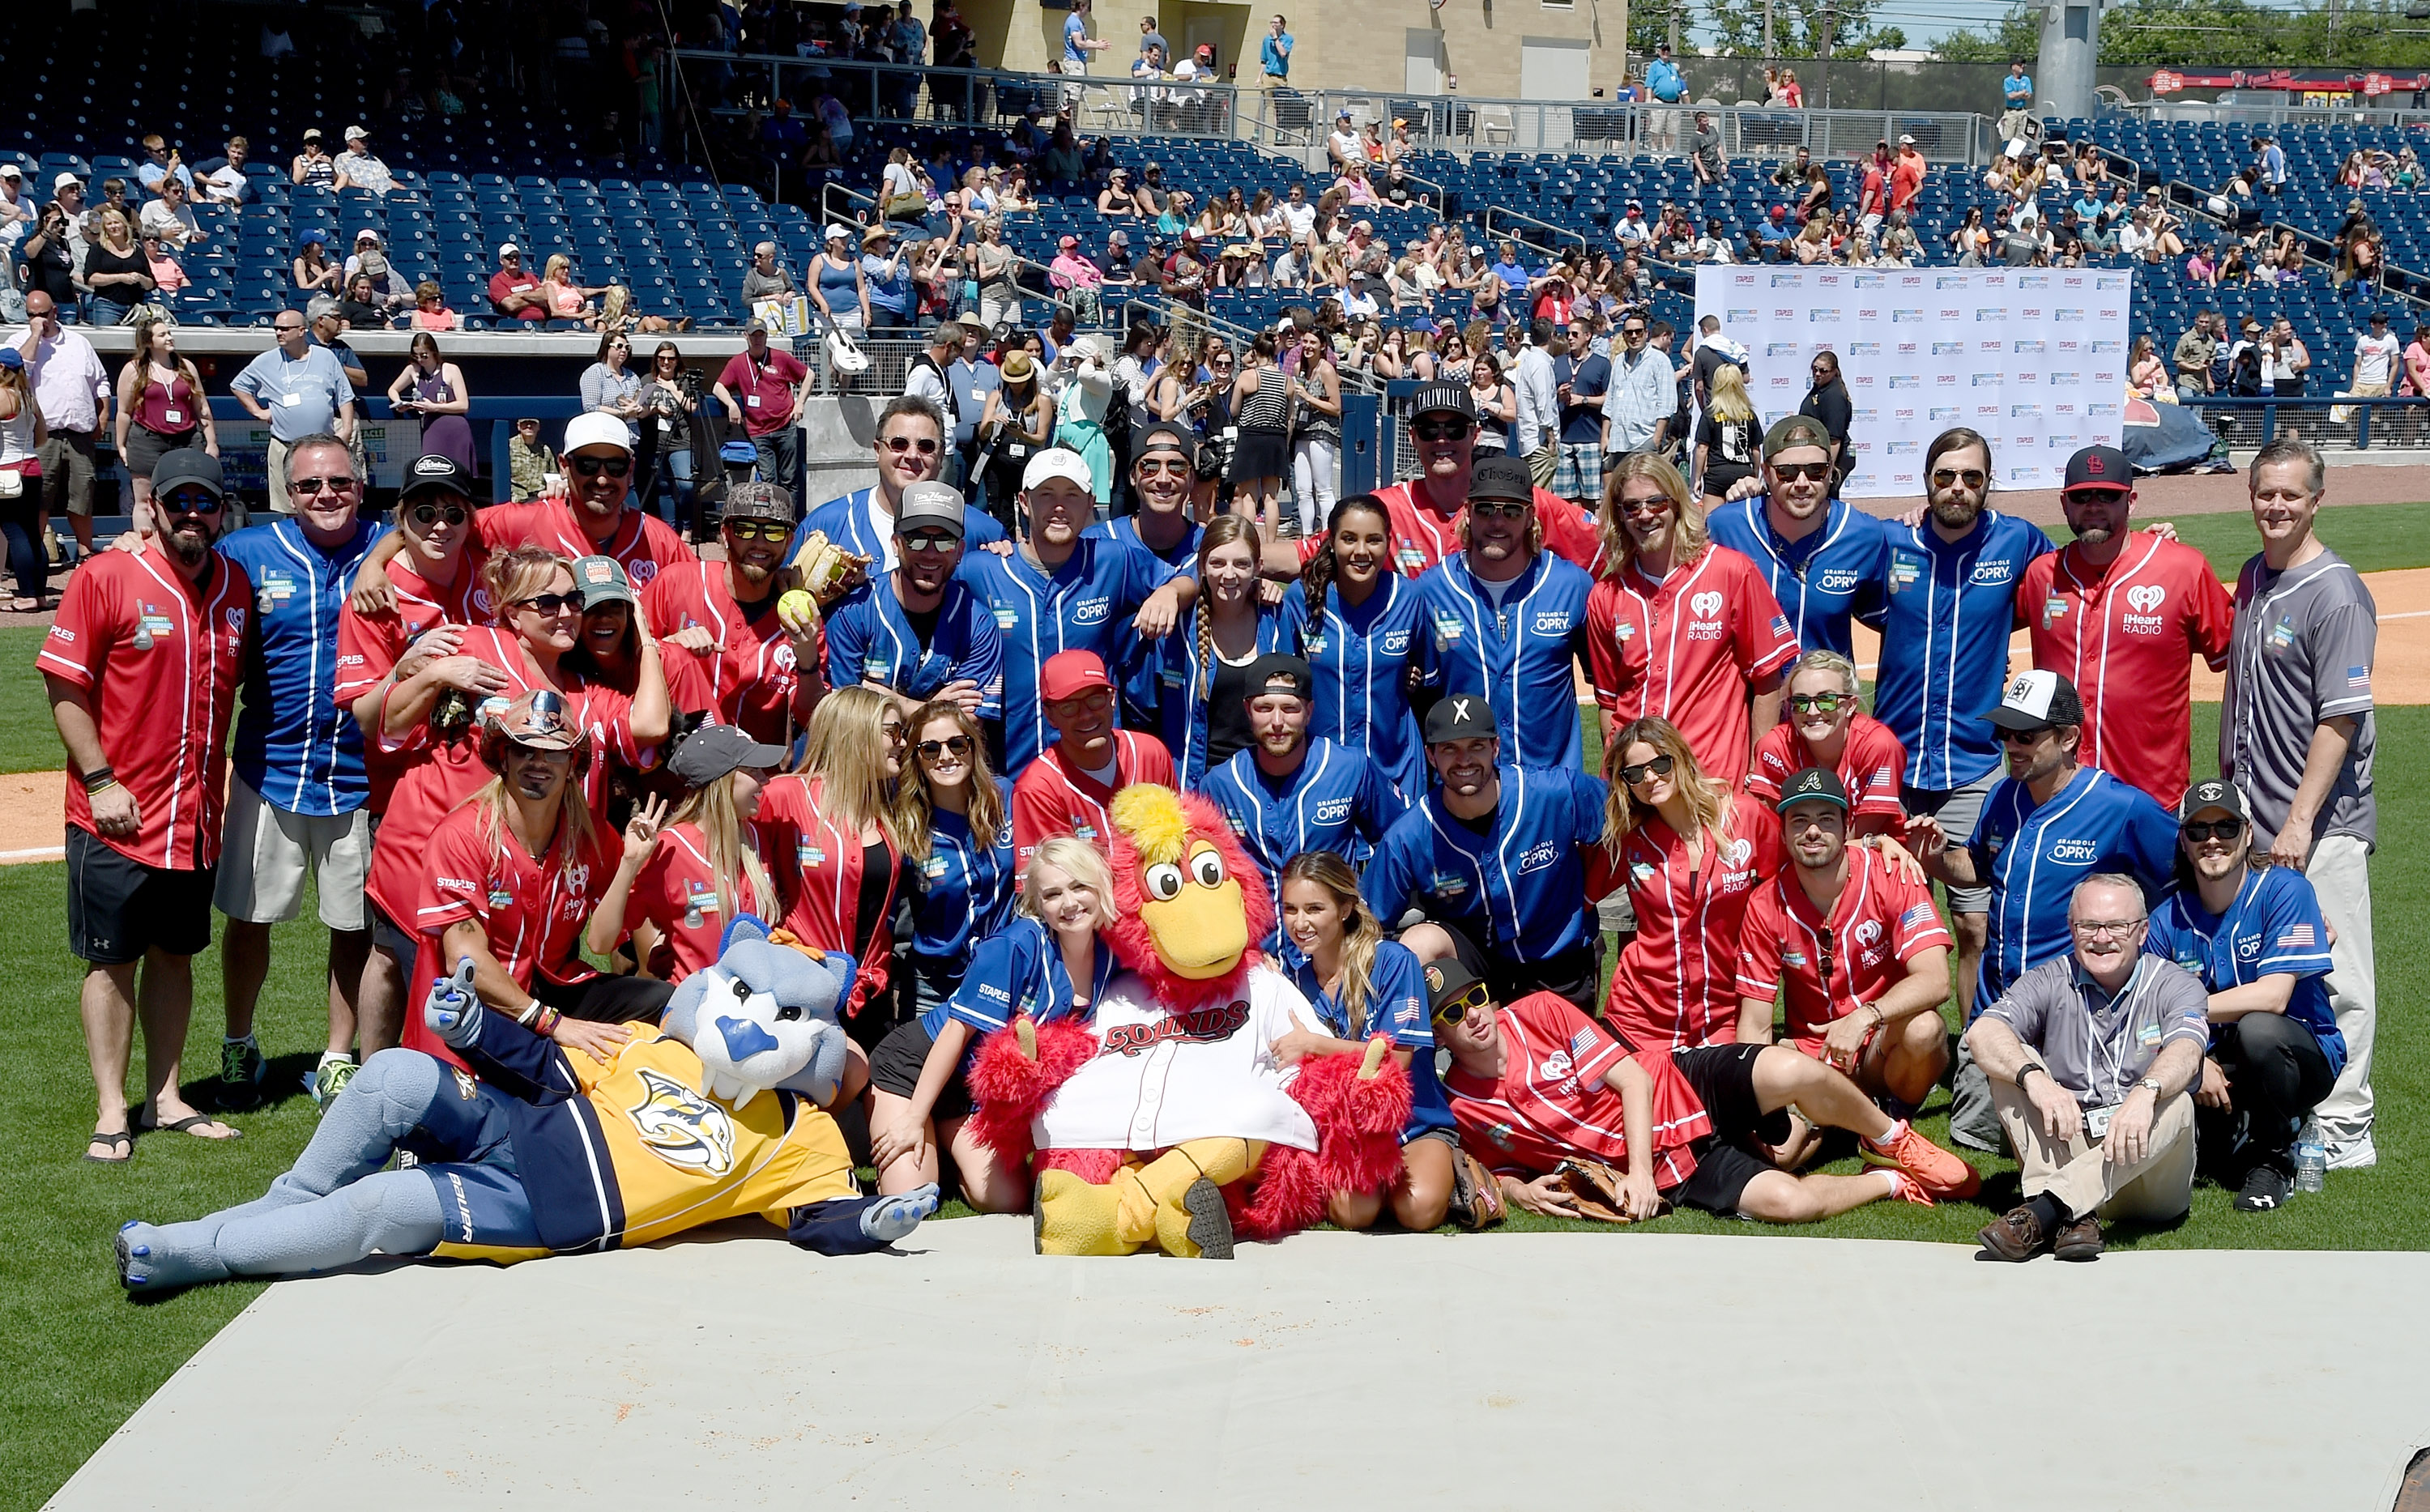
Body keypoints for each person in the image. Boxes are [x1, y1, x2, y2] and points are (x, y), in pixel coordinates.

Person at [44, 450, 251, 1160]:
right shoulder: (106, 575)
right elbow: (67, 687)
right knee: (110, 962)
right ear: (154, 507)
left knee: (175, 956)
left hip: (194, 817)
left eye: (206, 501)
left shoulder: (235, 585)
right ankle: (112, 1107)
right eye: (179, 501)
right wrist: (100, 780)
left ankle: (165, 1096)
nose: (193, 513)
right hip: (117, 816)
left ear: (223, 509)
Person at [1437, 959, 1964, 1225]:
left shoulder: (1537, 1012)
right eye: (1454, 1013)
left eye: (1476, 997)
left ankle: (1892, 1137)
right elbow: (1493, 1166)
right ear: (1439, 1035)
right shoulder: (1460, 1102)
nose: (1475, 1015)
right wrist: (1519, 1191)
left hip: (1680, 1084)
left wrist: (1639, 1174)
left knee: (1792, 1071)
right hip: (1674, 1167)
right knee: (1788, 1201)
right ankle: (1888, 1180)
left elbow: (1635, 1079)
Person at [1911, 669, 2180, 1149]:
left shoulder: (2121, 807)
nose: (2011, 746)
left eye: (2026, 735)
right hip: (1999, 1012)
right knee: (1977, 1138)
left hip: (2074, 1018)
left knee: (2071, 1138)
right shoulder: (2003, 796)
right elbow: (1976, 866)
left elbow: (2184, 874)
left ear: (2069, 737)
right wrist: (1934, 859)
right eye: (2004, 733)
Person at [204, 435, 386, 1108]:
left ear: (360, 484)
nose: (326, 496)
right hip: (268, 766)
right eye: (310, 486)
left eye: (338, 482)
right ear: (289, 493)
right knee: (249, 917)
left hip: (359, 774)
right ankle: (239, 1040)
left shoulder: (390, 547)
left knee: (353, 925)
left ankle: (338, 1054)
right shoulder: (247, 554)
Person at [2221, 437, 2379, 1169]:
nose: (2276, 507)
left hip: (2315, 824)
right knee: (2266, 970)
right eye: (2265, 493)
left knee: (2337, 975)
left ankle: (2347, 1127)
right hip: (2258, 823)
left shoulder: (2338, 591)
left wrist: (2300, 818)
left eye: (2291, 494)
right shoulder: (2254, 576)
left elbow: (2339, 717)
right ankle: (2277, 1111)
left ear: (2318, 498)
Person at [1870, 428, 2055, 1020]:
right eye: (1945, 476)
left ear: (1987, 483)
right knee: (1886, 921)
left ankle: (1976, 1051)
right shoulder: (1891, 540)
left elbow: (2081, 569)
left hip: (1973, 765)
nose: (1958, 488)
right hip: (1890, 764)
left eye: (1971, 477)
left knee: (1975, 922)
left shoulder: (2018, 539)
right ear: (1926, 481)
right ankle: (1893, 1050)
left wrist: (2148, 538)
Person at [868, 834, 1121, 1207]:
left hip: (974, 1094)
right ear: (1038, 903)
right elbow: (957, 1030)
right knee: (911, 1198)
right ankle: (918, 1128)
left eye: (1079, 887)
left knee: (1005, 1200)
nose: (1069, 904)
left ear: (1100, 885)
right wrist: (913, 1118)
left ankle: (944, 1144)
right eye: (1052, 895)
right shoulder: (1016, 945)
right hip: (916, 1067)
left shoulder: (1113, 954)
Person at [1966, 875, 2208, 1261]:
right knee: (2014, 1067)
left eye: (2117, 926)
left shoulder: (2175, 984)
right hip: (2074, 1147)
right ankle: (2076, 1215)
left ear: (2143, 932)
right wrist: (2037, 1081)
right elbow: (1983, 1032)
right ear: (2071, 929)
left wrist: (2146, 1093)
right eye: (2089, 925)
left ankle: (2046, 1211)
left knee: (2177, 1101)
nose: (2101, 938)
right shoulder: (2048, 978)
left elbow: (2187, 1049)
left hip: (2146, 1165)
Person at [2146, 777, 2345, 1212]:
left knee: (2258, 1030)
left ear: (2249, 833)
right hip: (2213, 1059)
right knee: (2205, 1157)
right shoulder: (2165, 919)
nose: (2212, 840)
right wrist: (2195, 1062)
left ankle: (2275, 1161)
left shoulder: (2285, 890)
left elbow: (2273, 997)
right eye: (2198, 830)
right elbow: (2144, 1017)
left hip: (2297, 1052)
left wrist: (2184, 1014)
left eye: (2226, 828)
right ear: (2183, 840)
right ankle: (2238, 1141)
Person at [1736, 768, 1956, 1127]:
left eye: (1825, 818)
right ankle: (1848, 1119)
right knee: (1778, 1151)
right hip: (1814, 1055)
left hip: (1881, 1048)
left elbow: (1936, 980)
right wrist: (1752, 1095)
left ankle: (1894, 1115)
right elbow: (1756, 1022)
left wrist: (1863, 1017)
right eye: (1799, 820)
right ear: (1783, 829)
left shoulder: (1891, 872)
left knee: (1926, 1029)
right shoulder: (1765, 903)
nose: (1812, 830)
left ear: (1846, 823)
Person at [2017, 444, 2232, 810]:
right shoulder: (2042, 575)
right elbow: (1979, 627)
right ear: (2064, 504)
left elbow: (2235, 654)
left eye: (2108, 495)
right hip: (2058, 795)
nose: (2094, 505)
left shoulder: (2182, 568)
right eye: (2082, 496)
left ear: (2130, 501)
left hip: (2152, 796)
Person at [1363, 697, 1608, 1013]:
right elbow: (1367, 924)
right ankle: (1422, 1053)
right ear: (1431, 756)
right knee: (1417, 944)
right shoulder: (1409, 834)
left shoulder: (1555, 792)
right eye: (1449, 748)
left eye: (1476, 746)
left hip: (1559, 958)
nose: (1464, 760)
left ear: (1495, 748)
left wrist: (1595, 887)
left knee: (1554, 1059)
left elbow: (1630, 818)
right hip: (1477, 967)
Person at [1274, 851, 1469, 1232]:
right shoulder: (1291, 979)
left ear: (1345, 908)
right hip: (1345, 1132)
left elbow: (1397, 1060)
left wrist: (1315, 1043)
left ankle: (1467, 1171)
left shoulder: (1393, 961)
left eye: (1315, 908)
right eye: (1290, 909)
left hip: (1415, 1123)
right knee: (1356, 1213)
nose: (1301, 923)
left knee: (1418, 1210)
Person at [961, 449, 1188, 774]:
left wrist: (1171, 592)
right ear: (1024, 502)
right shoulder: (982, 569)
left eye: (1072, 495)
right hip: (1008, 769)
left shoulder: (1112, 561)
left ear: (1090, 502)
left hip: (1095, 768)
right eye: (1046, 495)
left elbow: (1194, 573)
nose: (1059, 507)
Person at [1588, 453, 1796, 783]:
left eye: (1656, 503)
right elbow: (1609, 702)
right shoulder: (1606, 594)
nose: (1645, 515)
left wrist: (1760, 771)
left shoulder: (1731, 571)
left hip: (1710, 777)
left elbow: (1768, 679)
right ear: (1620, 516)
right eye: (1632, 507)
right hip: (1638, 785)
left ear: (1677, 504)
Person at [1409, 455, 1595, 774]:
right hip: (1463, 790)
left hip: (1552, 787)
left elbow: (1608, 688)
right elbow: (1420, 697)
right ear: (1467, 512)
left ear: (1530, 517)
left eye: (1511, 510)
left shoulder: (1571, 585)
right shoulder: (1432, 590)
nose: (1497, 522)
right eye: (1485, 509)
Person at [757, 688, 909, 1033]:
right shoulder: (784, 796)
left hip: (871, 992)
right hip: (800, 987)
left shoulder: (889, 804)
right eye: (893, 732)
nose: (902, 743)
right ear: (856, 733)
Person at [1200, 654, 1401, 914]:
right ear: (1248, 710)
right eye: (1264, 708)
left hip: (1336, 945)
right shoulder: (1219, 785)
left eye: (1290, 708)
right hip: (1257, 946)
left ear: (1309, 712)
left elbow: (1400, 838)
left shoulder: (1350, 768)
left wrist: (1370, 908)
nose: (1277, 722)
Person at [588, 722, 786, 983]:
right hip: (697, 1009)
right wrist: (630, 863)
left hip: (761, 1003)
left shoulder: (758, 838)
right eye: (752, 770)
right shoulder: (671, 849)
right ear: (720, 780)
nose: (765, 780)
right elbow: (600, 942)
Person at [640, 480, 825, 746]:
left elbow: (809, 717)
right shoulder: (676, 583)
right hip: (676, 772)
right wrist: (667, 648)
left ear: (789, 542)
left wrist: (808, 661)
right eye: (745, 529)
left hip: (760, 778)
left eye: (773, 531)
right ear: (725, 534)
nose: (759, 543)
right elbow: (623, 662)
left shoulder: (802, 617)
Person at [821, 480, 1004, 726]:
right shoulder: (853, 610)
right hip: (866, 758)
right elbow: (845, 711)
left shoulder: (978, 623)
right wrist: (926, 708)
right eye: (917, 539)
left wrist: (874, 692)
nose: (930, 553)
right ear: (896, 544)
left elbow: (967, 721)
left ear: (960, 550)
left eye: (945, 541)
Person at [1704, 415, 1886, 659]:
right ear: (1766, 474)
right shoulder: (1726, 527)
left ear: (1831, 471)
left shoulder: (1863, 536)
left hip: (1824, 697)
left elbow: (1894, 623)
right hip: (1750, 695)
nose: (1802, 483)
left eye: (1816, 471)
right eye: (1787, 472)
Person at [1285, 492, 1429, 798]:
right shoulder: (1302, 598)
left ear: (1388, 542)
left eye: (1373, 540)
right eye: (1349, 539)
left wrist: (1413, 676)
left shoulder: (1408, 599)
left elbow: (1427, 669)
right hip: (1320, 774)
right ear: (1332, 540)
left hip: (1396, 769)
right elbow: (1284, 682)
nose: (1361, 551)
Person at [891, 696, 1018, 1020]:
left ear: (973, 748)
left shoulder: (1007, 798)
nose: (945, 757)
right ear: (917, 759)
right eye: (930, 749)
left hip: (1004, 978)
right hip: (934, 986)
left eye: (957, 744)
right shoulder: (906, 825)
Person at [792, 395, 1005, 576]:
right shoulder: (825, 526)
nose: (912, 455)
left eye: (926, 446)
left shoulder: (983, 531)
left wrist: (1004, 561)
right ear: (878, 450)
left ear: (941, 456)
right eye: (899, 444)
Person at [1156, 516, 1298, 785]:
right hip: (1196, 783)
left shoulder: (1277, 617)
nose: (1229, 574)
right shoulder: (1179, 626)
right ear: (1202, 567)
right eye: (1217, 563)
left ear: (1259, 567)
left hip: (1267, 781)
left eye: (1242, 564)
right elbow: (1147, 706)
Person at [1008, 649, 1178, 862]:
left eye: (1095, 700)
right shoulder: (1038, 788)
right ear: (1050, 715)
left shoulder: (1150, 753)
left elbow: (1179, 839)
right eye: (1069, 707)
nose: (1086, 715)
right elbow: (1051, 886)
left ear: (1112, 699)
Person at [1747, 650, 1907, 839]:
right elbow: (1783, 828)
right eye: (1801, 702)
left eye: (1826, 701)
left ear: (1851, 705)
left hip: (1872, 850)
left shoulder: (1879, 746)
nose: (1812, 711)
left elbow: (1863, 834)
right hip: (1803, 853)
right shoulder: (1775, 747)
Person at [14, 292, 111, 559]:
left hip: (79, 433)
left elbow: (100, 382)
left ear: (55, 311)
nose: (38, 321)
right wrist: (34, 335)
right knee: (38, 498)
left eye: (42, 315)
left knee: (83, 494)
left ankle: (84, 552)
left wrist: (102, 417)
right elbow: (15, 372)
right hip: (41, 437)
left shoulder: (79, 343)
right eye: (31, 316)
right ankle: (31, 555)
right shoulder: (19, 341)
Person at [228, 310, 356, 512]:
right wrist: (259, 412)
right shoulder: (266, 361)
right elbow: (238, 386)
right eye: (276, 328)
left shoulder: (325, 356)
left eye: (285, 329)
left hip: (322, 448)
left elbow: (345, 396)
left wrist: (347, 428)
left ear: (301, 331)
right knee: (290, 508)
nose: (279, 332)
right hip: (285, 447)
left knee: (325, 502)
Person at [112, 321, 215, 531]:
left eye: (169, 333)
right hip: (147, 441)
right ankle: (147, 549)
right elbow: (124, 411)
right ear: (149, 342)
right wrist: (121, 445)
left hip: (186, 440)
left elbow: (202, 407)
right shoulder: (134, 369)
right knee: (144, 499)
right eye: (162, 335)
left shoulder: (186, 367)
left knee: (187, 496)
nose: (169, 337)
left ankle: (183, 542)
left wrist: (212, 442)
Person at [711, 320, 810, 501]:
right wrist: (732, 404)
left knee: (789, 479)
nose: (757, 339)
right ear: (745, 336)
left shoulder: (780, 357)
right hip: (759, 431)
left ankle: (789, 521)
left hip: (785, 426)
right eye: (753, 335)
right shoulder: (738, 362)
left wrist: (800, 403)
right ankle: (773, 521)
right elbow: (718, 387)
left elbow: (808, 374)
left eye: (761, 335)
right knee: (768, 480)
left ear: (766, 336)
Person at [385, 333, 474, 475]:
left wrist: (434, 407)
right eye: (416, 355)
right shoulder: (413, 370)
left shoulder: (451, 369)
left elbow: (463, 405)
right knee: (431, 472)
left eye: (424, 355)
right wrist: (399, 402)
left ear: (434, 352)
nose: (420, 359)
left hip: (455, 428)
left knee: (459, 475)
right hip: (431, 428)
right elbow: (393, 389)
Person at [1600, 311, 1673, 457]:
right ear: (1624, 335)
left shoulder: (1659, 360)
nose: (1634, 336)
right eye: (1629, 332)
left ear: (1646, 333)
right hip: (1617, 442)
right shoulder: (1619, 360)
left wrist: (1656, 440)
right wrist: (1604, 437)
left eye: (1638, 332)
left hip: (1644, 440)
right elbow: (1610, 402)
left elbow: (1666, 405)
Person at [487, 243, 548, 324]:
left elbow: (544, 297)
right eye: (510, 258)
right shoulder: (497, 281)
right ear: (502, 261)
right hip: (517, 325)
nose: (514, 260)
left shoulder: (529, 276)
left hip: (542, 322)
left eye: (517, 257)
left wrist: (522, 295)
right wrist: (535, 299)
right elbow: (511, 305)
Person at [2350, 309, 2399, 402]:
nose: (2384, 325)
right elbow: (2357, 364)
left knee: (2373, 416)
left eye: (2385, 322)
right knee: (2353, 413)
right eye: (2380, 322)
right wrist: (2354, 384)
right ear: (2372, 325)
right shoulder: (2363, 340)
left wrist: (2388, 386)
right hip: (2361, 383)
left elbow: (2395, 365)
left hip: (2379, 383)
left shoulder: (2391, 340)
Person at [331, 126, 395, 197]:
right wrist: (366, 189)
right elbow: (344, 181)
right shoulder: (342, 158)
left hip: (385, 196)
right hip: (361, 196)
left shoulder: (375, 160)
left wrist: (404, 190)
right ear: (351, 142)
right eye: (362, 141)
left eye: (366, 140)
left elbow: (388, 181)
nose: (366, 143)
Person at [1259, 13, 1293, 85]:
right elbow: (1264, 61)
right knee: (1267, 96)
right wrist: (1259, 77)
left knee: (1281, 96)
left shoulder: (1288, 39)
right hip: (1268, 77)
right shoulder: (1267, 40)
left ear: (1282, 25)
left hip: (1281, 77)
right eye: (1272, 22)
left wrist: (1275, 38)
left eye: (1276, 23)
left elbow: (1283, 54)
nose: (1273, 25)